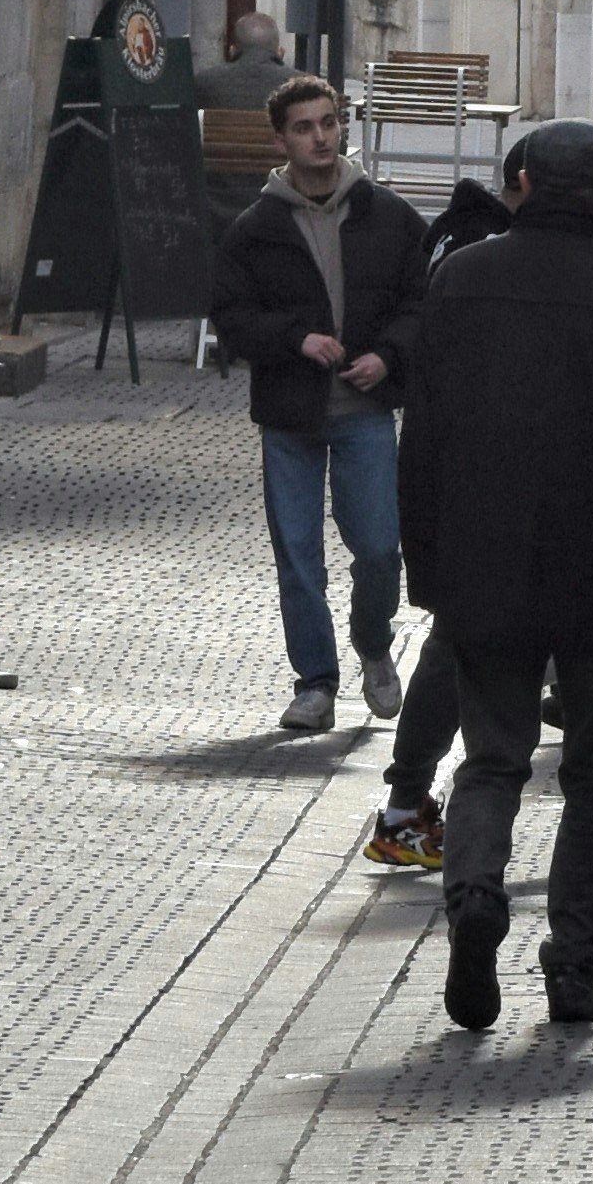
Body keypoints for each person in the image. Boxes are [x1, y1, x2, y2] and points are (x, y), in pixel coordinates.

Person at [395, 114, 593, 1033]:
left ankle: (476, 901)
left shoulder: (459, 279)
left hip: (484, 565)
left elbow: (427, 442)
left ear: (521, 182)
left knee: (490, 758)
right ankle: (573, 962)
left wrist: (429, 568)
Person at [203, 69, 429, 732]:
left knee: (381, 548)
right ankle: (316, 683)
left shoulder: (386, 215)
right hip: (289, 414)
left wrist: (387, 353)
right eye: (304, 128)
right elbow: (231, 316)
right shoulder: (255, 228)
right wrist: (294, 339)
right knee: (298, 554)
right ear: (282, 140)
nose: (320, 137)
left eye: (328, 123)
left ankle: (373, 645)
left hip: (365, 410)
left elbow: (421, 299)